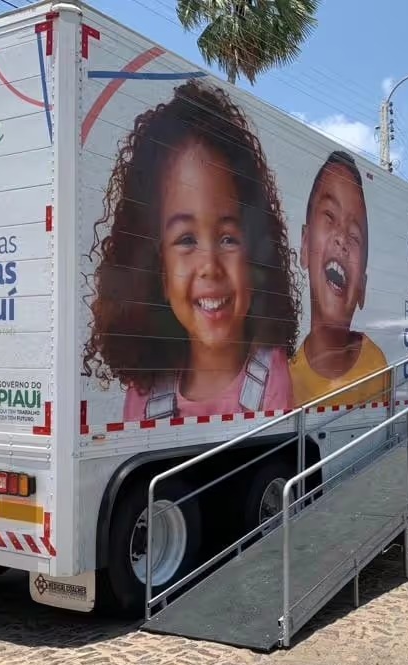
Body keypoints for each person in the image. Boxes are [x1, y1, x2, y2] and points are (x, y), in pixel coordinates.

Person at [82, 80, 300, 419]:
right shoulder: (145, 392)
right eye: (186, 240)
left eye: (228, 238)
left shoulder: (270, 376)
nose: (210, 265)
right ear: (159, 271)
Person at [289, 150, 389, 406]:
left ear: (362, 287)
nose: (342, 239)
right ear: (304, 245)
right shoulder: (287, 380)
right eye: (330, 217)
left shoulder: (377, 368)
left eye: (354, 236)